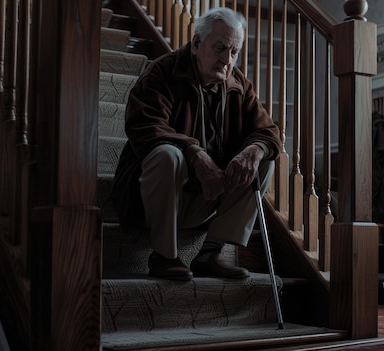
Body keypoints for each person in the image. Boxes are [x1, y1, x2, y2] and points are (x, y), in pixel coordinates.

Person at [111, 7, 281, 281]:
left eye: (234, 52)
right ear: (197, 44)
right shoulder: (162, 72)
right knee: (168, 154)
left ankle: (210, 252)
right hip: (146, 201)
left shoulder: (239, 86)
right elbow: (144, 125)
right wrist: (194, 153)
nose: (227, 60)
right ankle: (164, 256)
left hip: (203, 200)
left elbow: (269, 132)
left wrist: (254, 150)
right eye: (220, 48)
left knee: (262, 158)